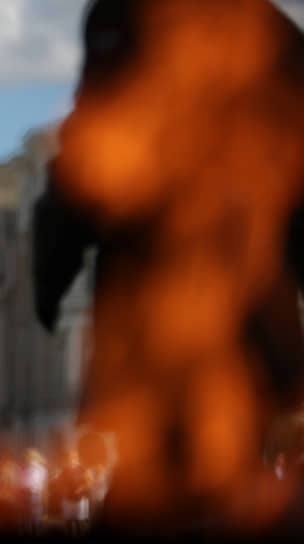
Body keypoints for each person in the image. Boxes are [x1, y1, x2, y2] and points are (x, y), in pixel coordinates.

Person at [33, 0, 304, 537]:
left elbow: (89, 154)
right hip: (219, 325)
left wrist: (53, 263)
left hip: (202, 319)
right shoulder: (270, 30)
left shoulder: (126, 16)